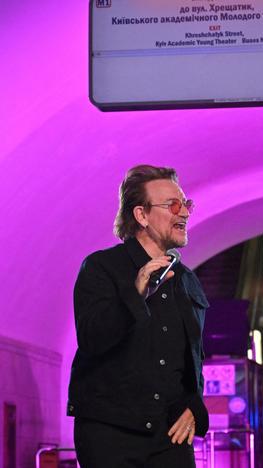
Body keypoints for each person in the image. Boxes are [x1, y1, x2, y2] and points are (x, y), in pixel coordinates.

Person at [67, 165, 209, 468]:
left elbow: (193, 359)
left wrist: (194, 405)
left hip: (170, 434)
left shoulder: (187, 280)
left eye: (186, 204)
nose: (184, 212)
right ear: (141, 215)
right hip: (110, 433)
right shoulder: (101, 268)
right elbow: (93, 338)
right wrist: (135, 294)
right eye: (173, 205)